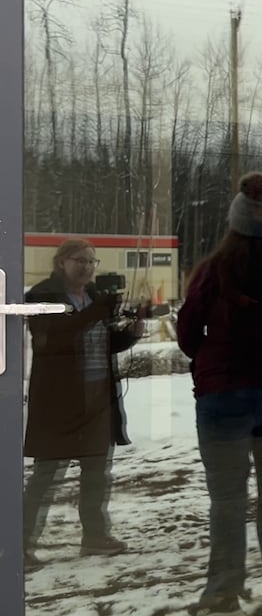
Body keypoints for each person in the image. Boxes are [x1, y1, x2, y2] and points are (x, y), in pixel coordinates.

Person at [178, 172, 262, 616]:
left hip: (224, 396)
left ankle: (222, 591)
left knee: (227, 499)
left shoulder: (213, 271)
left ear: (235, 220)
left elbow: (188, 331)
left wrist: (211, 363)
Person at [23, 238, 141, 564]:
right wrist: (98, 310)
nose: (87, 267)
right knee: (45, 478)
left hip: (97, 401)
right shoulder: (41, 295)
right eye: (80, 260)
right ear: (61, 261)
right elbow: (54, 340)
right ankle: (18, 544)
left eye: (92, 261)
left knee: (96, 475)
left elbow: (100, 343)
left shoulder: (90, 298)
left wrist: (130, 333)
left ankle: (95, 536)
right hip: (59, 404)